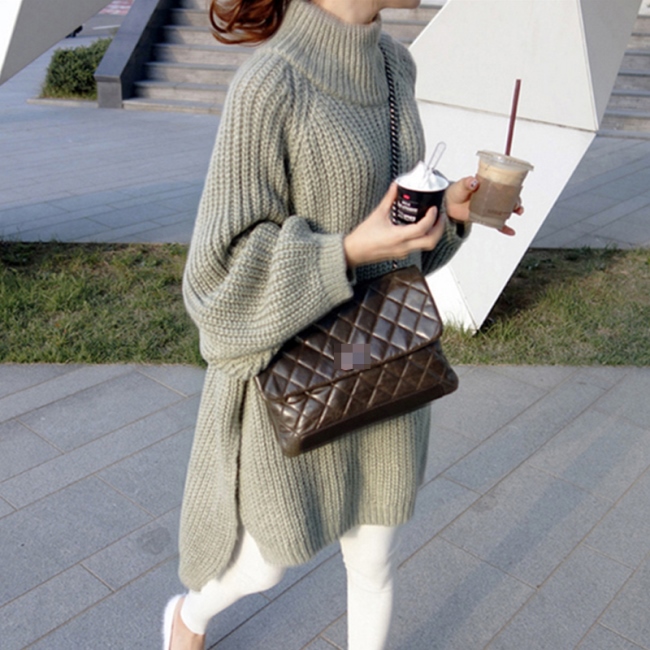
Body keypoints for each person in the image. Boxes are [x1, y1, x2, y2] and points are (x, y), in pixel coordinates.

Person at [164, 0, 523, 648]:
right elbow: (216, 282)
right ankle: (188, 617)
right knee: (263, 562)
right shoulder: (270, 84)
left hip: (389, 364)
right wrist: (347, 251)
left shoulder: (394, 67)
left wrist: (449, 214)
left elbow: (404, 251)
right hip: (301, 378)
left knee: (374, 560)